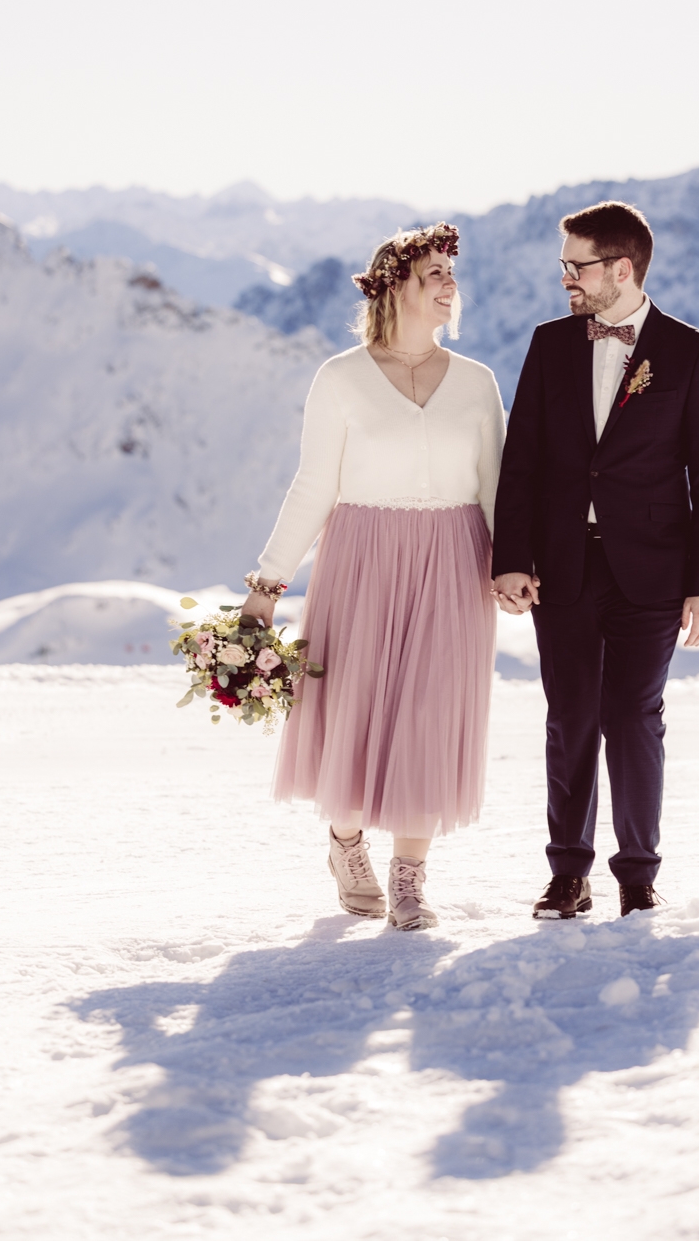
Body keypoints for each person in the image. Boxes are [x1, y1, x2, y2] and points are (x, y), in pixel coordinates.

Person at [241, 223, 505, 931]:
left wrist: (513, 567)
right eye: (433, 272)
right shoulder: (341, 378)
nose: (449, 283)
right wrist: (266, 587)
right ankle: (346, 842)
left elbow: (496, 487)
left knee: (430, 713)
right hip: (360, 557)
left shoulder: (477, 383)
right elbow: (313, 486)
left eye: (451, 272)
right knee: (354, 710)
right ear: (394, 287)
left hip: (454, 557)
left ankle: (409, 877)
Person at [491, 201, 699, 920]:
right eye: (564, 264)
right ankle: (568, 873)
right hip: (561, 566)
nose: (566, 277)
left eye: (578, 265)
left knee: (631, 717)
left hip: (652, 571)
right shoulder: (550, 344)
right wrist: (512, 557)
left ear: (621, 269)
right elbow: (521, 460)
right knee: (569, 718)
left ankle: (637, 874)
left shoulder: (690, 353)